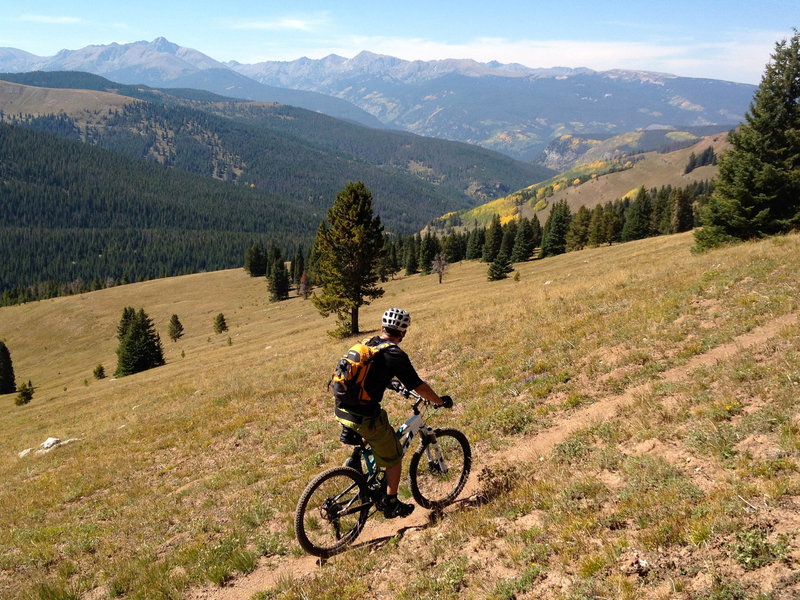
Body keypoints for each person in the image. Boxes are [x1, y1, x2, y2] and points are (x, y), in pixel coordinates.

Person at [334, 307, 452, 518]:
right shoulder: (395, 354)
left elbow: (371, 372)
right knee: (394, 457)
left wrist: (392, 383)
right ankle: (391, 502)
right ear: (403, 333)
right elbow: (419, 386)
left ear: (382, 327)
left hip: (342, 408)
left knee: (375, 441)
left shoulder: (369, 343)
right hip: (364, 416)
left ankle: (355, 466)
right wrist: (440, 401)